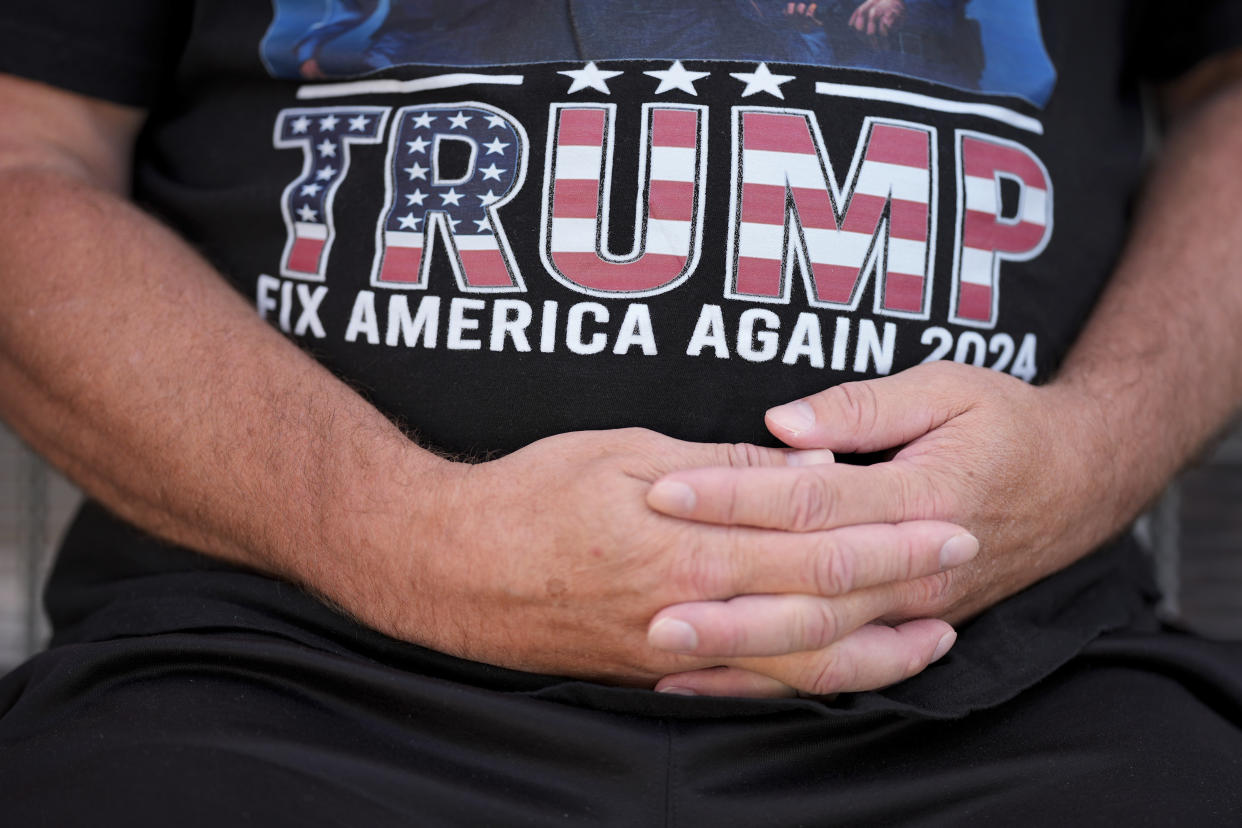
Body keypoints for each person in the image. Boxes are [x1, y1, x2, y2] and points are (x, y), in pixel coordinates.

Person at [1, 1, 1241, 824]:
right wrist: (399, 533)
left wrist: (1092, 454)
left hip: (1018, 698)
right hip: (273, 680)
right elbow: (25, 153)